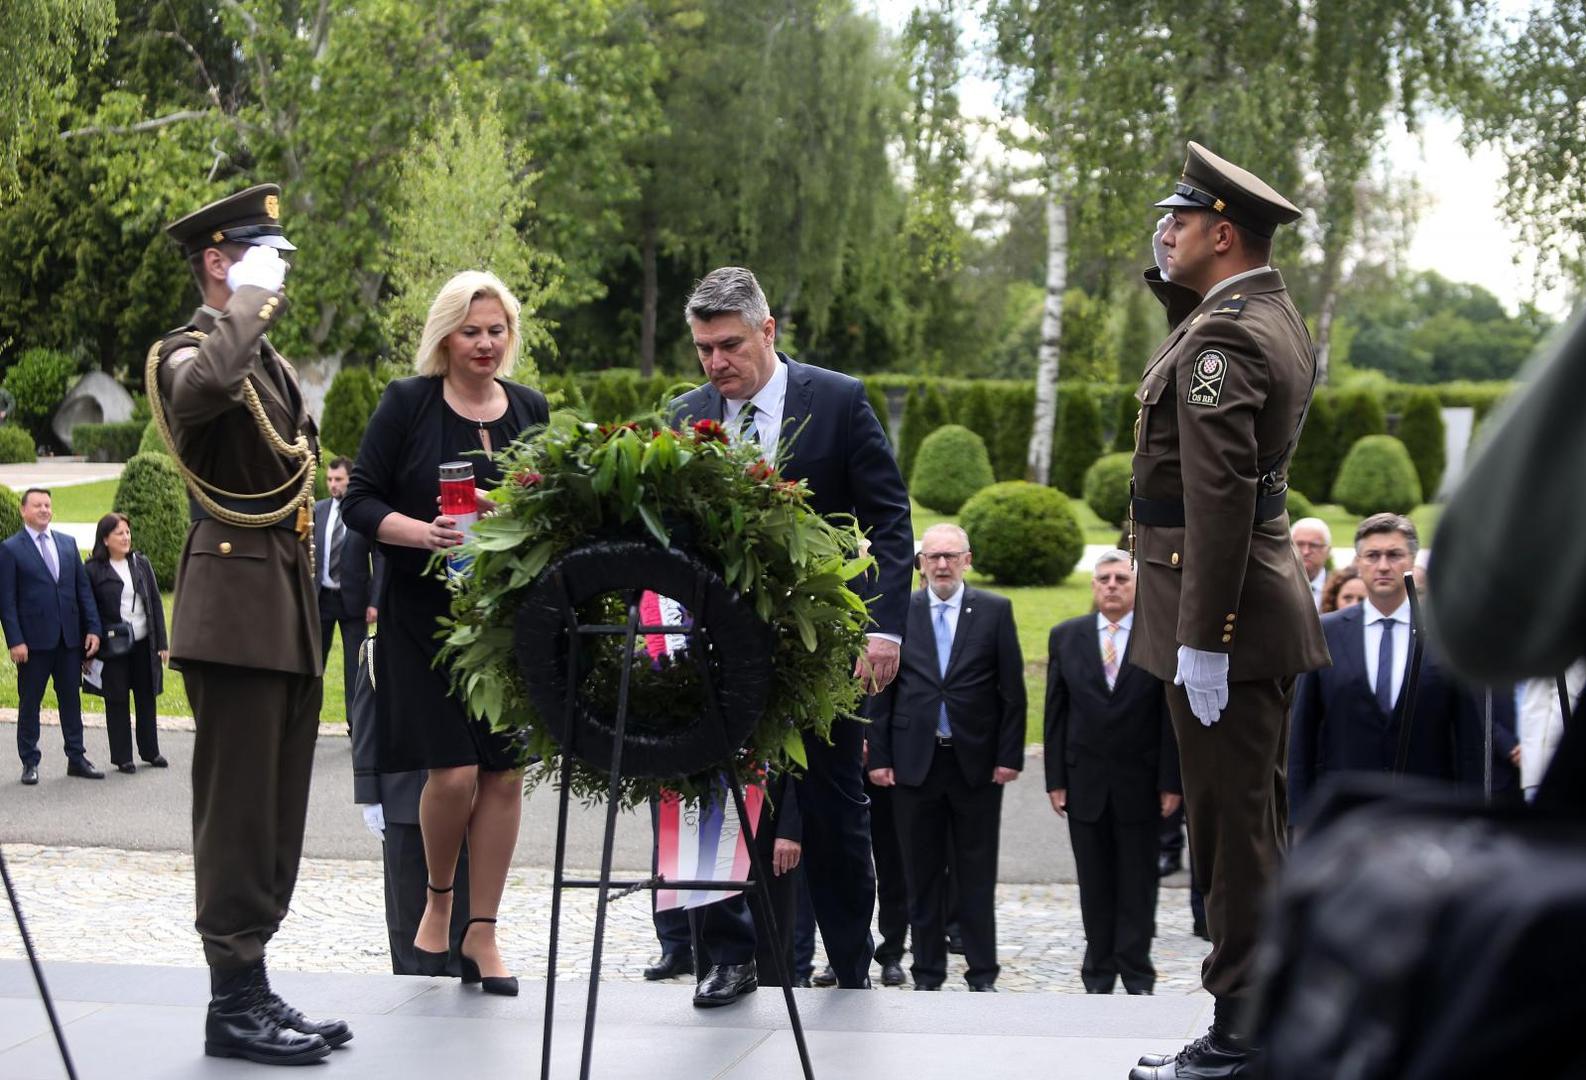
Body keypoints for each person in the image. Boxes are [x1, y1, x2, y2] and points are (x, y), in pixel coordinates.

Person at [1126, 143, 1329, 1080]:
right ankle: (1268, 1009)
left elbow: (1217, 497)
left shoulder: (1225, 338)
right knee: (1255, 821)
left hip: (1224, 617)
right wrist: (1178, 284)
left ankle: (1242, 1032)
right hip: (1256, 603)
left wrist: (1202, 641)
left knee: (1230, 830)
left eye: (1179, 220)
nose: (1163, 231)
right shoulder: (1264, 313)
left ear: (1222, 231)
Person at [668, 266, 913, 1002]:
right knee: (711, 802)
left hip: (821, 651)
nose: (716, 364)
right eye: (704, 349)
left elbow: (889, 521)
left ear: (768, 331)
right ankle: (726, 957)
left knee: (836, 814)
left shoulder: (836, 402)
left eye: (730, 346)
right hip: (716, 650)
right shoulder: (687, 414)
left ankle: (848, 961)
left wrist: (885, 630)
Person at [151, 183, 347, 1064]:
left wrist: (254, 310)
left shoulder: (255, 354)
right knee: (236, 813)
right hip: (233, 611)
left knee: (275, 811)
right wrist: (250, 302)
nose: (279, 285)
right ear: (218, 263)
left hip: (283, 605)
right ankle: (230, 999)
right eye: (260, 263)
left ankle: (253, 986)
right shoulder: (186, 353)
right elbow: (207, 391)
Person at [341, 269, 549, 998]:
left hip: (504, 624)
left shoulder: (530, 408)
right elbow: (359, 502)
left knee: (502, 773)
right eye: (472, 330)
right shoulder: (407, 403)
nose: (486, 343)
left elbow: (550, 506)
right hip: (420, 621)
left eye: (496, 330)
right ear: (445, 336)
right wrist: (421, 534)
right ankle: (437, 902)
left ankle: (483, 932)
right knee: (453, 771)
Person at [866, 524, 1023, 992]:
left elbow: (1012, 693)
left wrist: (1008, 755)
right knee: (921, 874)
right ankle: (927, 972)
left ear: (967, 560)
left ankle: (982, 973)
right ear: (920, 564)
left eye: (950, 556)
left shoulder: (994, 611)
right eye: (932, 557)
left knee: (976, 874)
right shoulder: (901, 611)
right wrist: (881, 757)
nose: (941, 565)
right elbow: (882, 690)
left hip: (975, 763)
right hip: (915, 765)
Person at [1288, 514, 1484, 828]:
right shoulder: (1326, 632)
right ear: (1358, 562)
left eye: (1394, 555)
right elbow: (1303, 731)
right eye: (1373, 555)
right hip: (1344, 816)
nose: (1383, 566)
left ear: (1412, 559)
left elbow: (1469, 738)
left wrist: (1472, 816)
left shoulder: (1445, 635)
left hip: (1427, 813)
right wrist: (1299, 816)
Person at [1045, 550, 1180, 996]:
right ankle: (1098, 969)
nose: (1112, 585)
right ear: (1093, 586)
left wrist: (1170, 781)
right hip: (1083, 783)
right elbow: (1056, 714)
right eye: (1103, 578)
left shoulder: (1158, 636)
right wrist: (1055, 779)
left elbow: (1169, 718)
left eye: (1122, 578)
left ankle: (1137, 971)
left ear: (1136, 585)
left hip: (1140, 784)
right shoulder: (1067, 636)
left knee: (1139, 882)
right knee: (1095, 882)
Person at [349, 635, 473, 976]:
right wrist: (369, 791)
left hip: (458, 797)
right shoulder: (379, 651)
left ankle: (457, 968)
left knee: (460, 892)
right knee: (405, 904)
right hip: (401, 793)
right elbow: (366, 723)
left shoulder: (469, 644)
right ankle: (409, 974)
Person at [1, 487, 103, 785]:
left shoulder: (68, 544)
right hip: (32, 644)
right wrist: (14, 640)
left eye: (47, 504)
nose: (44, 509)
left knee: (71, 700)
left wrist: (93, 629)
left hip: (69, 641)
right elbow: (6, 601)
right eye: (37, 505)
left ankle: (76, 757)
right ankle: (29, 761)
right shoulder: (10, 549)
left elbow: (83, 592)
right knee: (30, 701)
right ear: (23, 510)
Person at [83, 513, 169, 773]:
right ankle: (123, 757)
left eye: (128, 532)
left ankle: (150, 751)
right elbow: (87, 609)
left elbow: (154, 602)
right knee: (117, 699)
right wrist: (86, 650)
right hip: (113, 647)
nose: (126, 537)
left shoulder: (141, 563)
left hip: (143, 642)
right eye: (119, 533)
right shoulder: (93, 569)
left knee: (146, 696)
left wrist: (162, 643)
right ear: (105, 539)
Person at [313, 455, 379, 716]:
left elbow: (380, 559)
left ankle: (356, 725)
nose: (333, 484)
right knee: (314, 664)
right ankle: (308, 722)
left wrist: (375, 601)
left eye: (338, 479)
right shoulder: (318, 510)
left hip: (354, 602)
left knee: (355, 668)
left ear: (350, 480)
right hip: (321, 599)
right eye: (329, 479)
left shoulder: (361, 513)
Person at [1290, 517, 1332, 611]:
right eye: (1300, 544)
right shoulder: (1275, 586)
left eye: (1314, 545)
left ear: (1328, 551)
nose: (1306, 552)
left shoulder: (1338, 588)